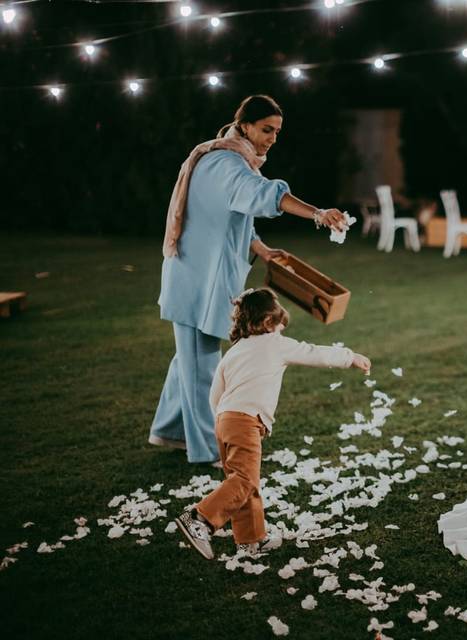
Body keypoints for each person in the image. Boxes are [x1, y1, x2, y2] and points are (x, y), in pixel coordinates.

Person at [150, 94, 347, 463]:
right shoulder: (226, 163)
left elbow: (236, 215)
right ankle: (209, 449)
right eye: (266, 129)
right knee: (201, 367)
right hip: (197, 278)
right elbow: (260, 195)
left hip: (202, 274)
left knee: (189, 360)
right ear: (244, 126)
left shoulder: (229, 161)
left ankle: (170, 430)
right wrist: (317, 213)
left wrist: (262, 249)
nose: (273, 137)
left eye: (277, 131)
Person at [175, 288, 371, 558]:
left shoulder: (234, 351)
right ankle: (199, 518)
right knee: (244, 480)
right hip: (244, 421)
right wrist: (351, 357)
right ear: (268, 324)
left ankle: (250, 541)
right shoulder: (275, 343)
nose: (281, 329)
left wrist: (224, 419)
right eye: (280, 324)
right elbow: (315, 353)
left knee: (244, 482)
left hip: (224, 420)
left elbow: (215, 395)